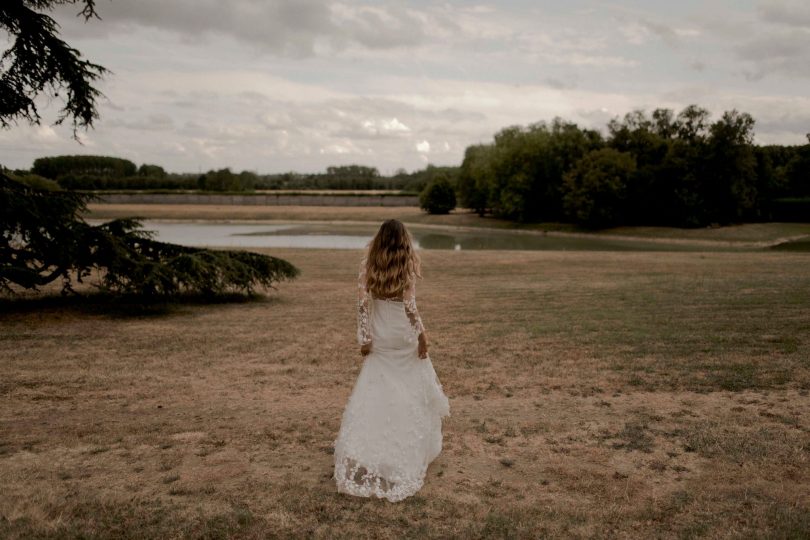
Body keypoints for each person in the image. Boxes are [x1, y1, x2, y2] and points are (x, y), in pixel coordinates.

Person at [333, 219, 450, 502]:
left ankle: (374, 448)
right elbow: (410, 306)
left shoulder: (367, 265)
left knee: (378, 387)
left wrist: (365, 336)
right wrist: (422, 335)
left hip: (381, 332)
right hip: (402, 333)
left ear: (379, 240)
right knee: (410, 389)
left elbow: (362, 304)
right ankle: (407, 448)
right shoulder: (406, 264)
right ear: (402, 241)